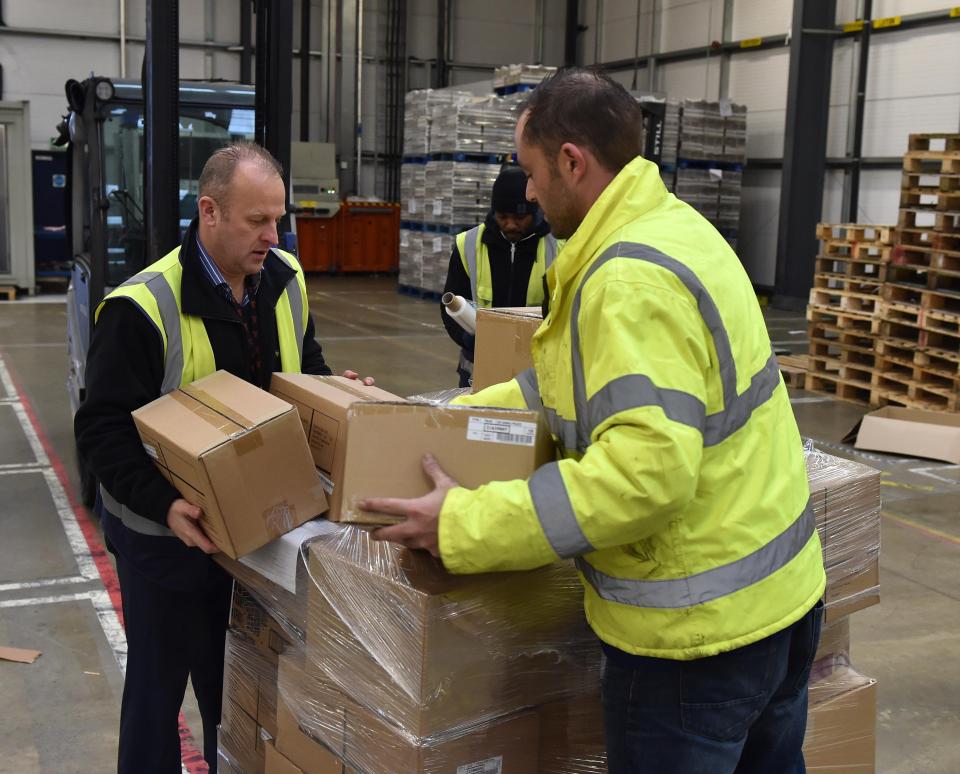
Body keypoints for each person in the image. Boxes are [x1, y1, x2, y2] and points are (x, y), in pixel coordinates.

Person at [362, 68, 826, 774]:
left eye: (531, 171)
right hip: (778, 605)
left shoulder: (625, 279)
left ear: (572, 162)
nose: (526, 192)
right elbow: (570, 383)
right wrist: (447, 420)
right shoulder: (673, 229)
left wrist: (462, 526)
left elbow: (644, 478)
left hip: (695, 643)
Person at [75, 143, 370, 774]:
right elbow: (101, 430)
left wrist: (334, 395)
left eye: (279, 218)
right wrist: (166, 505)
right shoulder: (142, 307)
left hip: (263, 537)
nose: (275, 234)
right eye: (257, 221)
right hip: (168, 543)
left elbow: (303, 370)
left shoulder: (285, 280)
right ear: (209, 212)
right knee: (156, 698)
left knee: (233, 696)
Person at [441, 165, 559, 387]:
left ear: (535, 212)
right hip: (477, 368)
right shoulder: (468, 245)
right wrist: (469, 340)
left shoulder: (559, 247)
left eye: (520, 217)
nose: (511, 224)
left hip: (536, 371)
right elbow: (450, 306)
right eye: (503, 217)